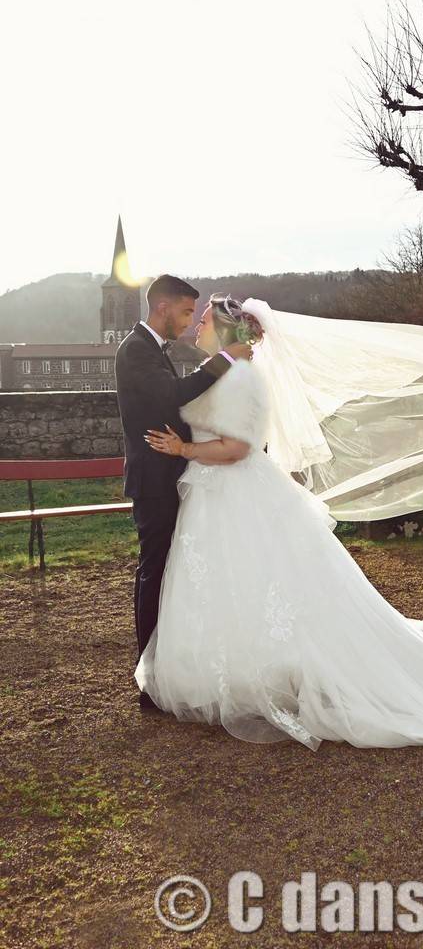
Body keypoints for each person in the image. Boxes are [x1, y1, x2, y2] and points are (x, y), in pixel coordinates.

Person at [135, 293, 423, 751]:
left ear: (226, 330)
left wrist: (185, 450)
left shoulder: (240, 380)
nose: (196, 327)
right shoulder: (221, 373)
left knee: (260, 582)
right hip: (215, 497)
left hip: (234, 494)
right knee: (234, 584)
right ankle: (234, 669)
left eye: (204, 321)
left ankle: (265, 675)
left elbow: (236, 449)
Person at [114, 275, 252, 712]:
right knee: (155, 571)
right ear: (162, 306)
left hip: (175, 474)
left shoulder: (151, 350)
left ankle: (173, 666)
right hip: (154, 481)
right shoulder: (135, 351)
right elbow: (173, 394)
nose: (191, 322)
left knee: (177, 573)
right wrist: (226, 358)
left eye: (198, 315)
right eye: (187, 312)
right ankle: (150, 675)